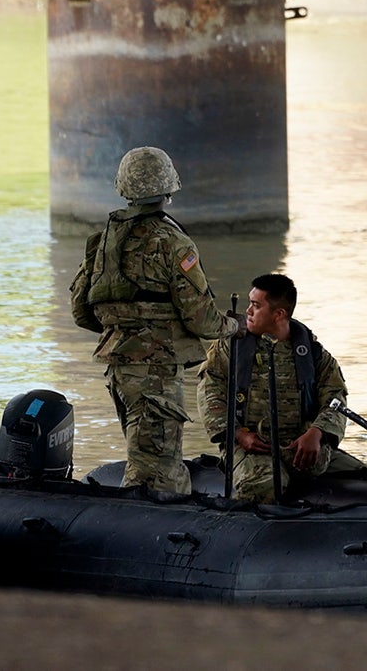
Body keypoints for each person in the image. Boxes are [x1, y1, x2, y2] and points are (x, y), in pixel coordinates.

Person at [70, 146, 243, 495]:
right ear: (169, 189)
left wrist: (124, 331)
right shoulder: (174, 242)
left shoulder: (103, 241)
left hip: (118, 368)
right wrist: (235, 326)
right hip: (156, 372)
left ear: (124, 187)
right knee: (157, 474)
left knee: (146, 456)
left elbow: (80, 310)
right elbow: (202, 320)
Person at [197, 274, 366, 503]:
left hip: (302, 447)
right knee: (265, 485)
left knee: (366, 477)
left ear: (279, 314)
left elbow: (335, 398)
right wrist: (237, 434)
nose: (248, 311)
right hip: (252, 446)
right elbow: (210, 394)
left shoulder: (312, 352)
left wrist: (317, 432)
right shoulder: (231, 347)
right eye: (249, 303)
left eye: (256, 306)